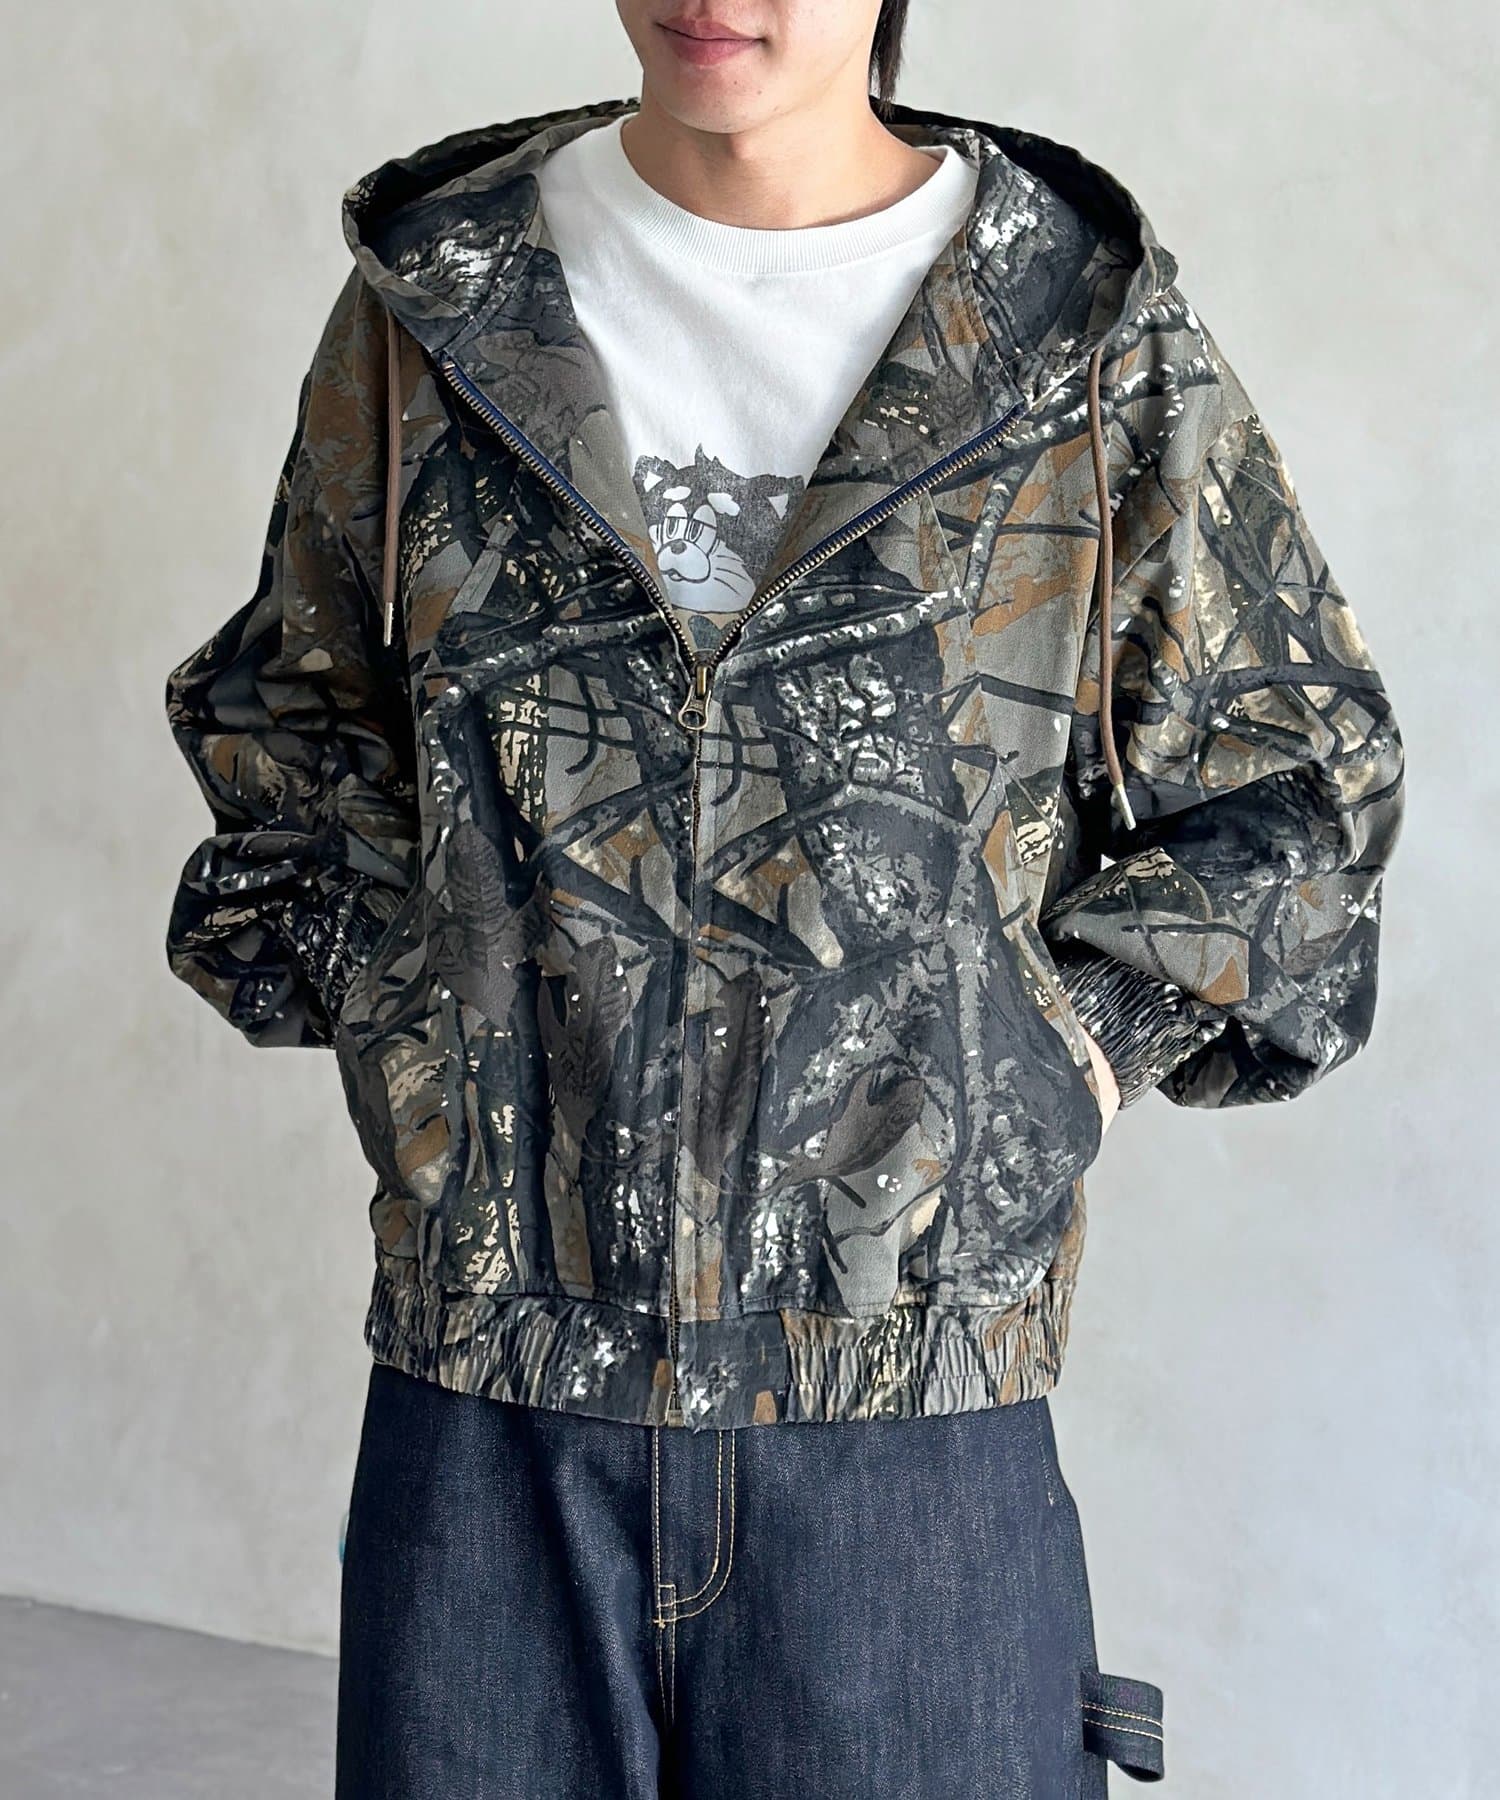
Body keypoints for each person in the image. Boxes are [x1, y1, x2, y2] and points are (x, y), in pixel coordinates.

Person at [161, 3, 1406, 1794]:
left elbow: (1300, 785)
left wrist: (1050, 1057)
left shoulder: (1070, 332)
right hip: (492, 1415)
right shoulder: (446, 306)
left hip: (907, 1436)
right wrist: (419, 1022)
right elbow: (296, 723)